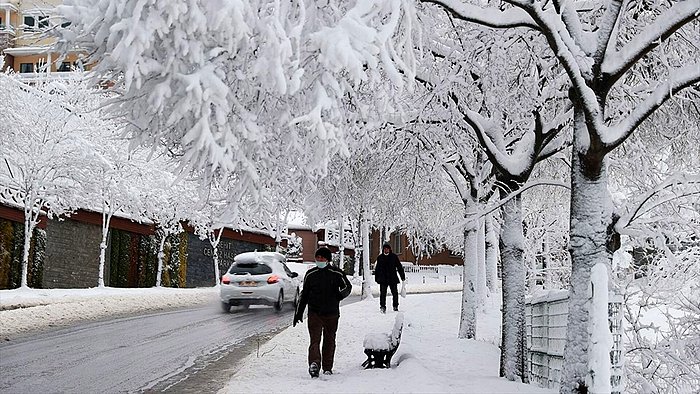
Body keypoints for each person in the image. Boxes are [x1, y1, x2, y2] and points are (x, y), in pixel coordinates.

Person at [293, 247, 352, 378]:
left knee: (329, 340)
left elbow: (348, 287)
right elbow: (305, 294)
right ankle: (314, 364)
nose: (319, 260)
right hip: (315, 313)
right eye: (317, 258)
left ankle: (327, 367)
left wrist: (339, 295)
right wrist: (299, 312)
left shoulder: (336, 273)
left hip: (331, 313)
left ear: (328, 260)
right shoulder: (311, 274)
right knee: (315, 340)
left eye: (322, 258)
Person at [374, 242, 405, 313]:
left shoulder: (394, 257)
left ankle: (395, 306)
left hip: (392, 278)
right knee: (382, 294)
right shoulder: (380, 258)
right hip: (383, 279)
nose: (386, 250)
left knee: (395, 293)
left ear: (390, 249)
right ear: (383, 249)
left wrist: (402, 276)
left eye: (387, 249)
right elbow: (377, 269)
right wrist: (377, 278)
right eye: (385, 249)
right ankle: (382, 307)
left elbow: (399, 267)